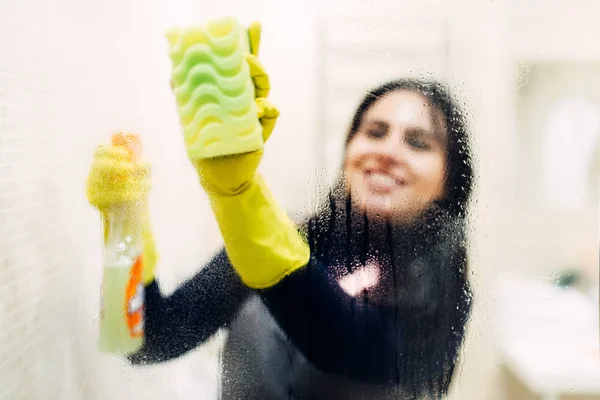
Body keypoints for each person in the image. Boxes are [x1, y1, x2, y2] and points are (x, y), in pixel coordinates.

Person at [86, 22, 474, 400]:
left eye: (418, 143)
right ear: (348, 152)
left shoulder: (444, 290)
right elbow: (153, 339)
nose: (387, 152)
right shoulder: (279, 239)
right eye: (374, 132)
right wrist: (125, 219)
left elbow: (344, 343)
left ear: (448, 182)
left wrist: (238, 194)